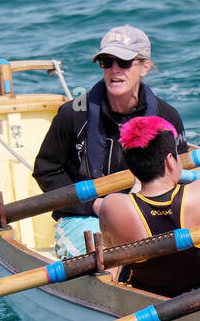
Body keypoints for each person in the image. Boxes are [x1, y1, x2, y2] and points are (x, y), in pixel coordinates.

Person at [34, 26, 188, 257]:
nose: (114, 70)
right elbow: (47, 171)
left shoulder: (167, 117)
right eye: (107, 62)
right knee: (108, 261)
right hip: (85, 218)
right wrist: (94, 205)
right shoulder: (72, 115)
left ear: (145, 67)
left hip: (150, 212)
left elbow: (182, 177)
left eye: (124, 63)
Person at [97, 117, 200, 297]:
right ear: (170, 161)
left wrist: (137, 188)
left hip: (149, 295)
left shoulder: (112, 206)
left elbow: (112, 246)